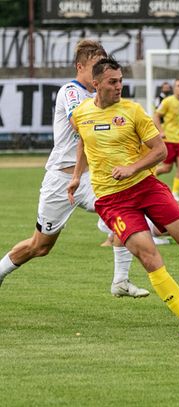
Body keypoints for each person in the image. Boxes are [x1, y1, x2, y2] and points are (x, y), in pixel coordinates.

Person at [67, 57, 179, 337]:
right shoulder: (81, 114)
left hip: (146, 187)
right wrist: (77, 176)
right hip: (112, 201)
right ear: (96, 84)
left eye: (121, 80)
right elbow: (83, 142)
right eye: (113, 82)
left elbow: (160, 151)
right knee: (149, 257)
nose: (119, 86)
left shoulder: (133, 111)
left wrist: (132, 167)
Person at [0, 40, 148, 298]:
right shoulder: (71, 91)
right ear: (80, 66)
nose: (100, 72)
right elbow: (81, 124)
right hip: (61, 179)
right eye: (95, 66)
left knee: (124, 214)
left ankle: (121, 281)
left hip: (92, 179)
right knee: (40, 246)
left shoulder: (100, 96)